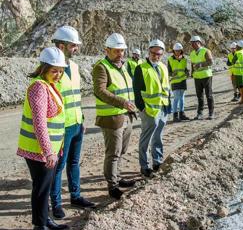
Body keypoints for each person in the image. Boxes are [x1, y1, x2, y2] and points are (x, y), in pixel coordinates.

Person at [18, 47, 71, 230]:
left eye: (60, 71)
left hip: (48, 150)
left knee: (46, 187)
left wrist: (56, 148)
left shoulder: (49, 85)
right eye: (54, 70)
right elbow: (39, 122)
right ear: (44, 68)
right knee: (40, 189)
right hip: (38, 150)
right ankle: (39, 227)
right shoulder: (39, 87)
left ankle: (45, 219)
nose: (58, 75)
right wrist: (49, 152)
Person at [49, 26, 96, 219]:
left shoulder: (75, 68)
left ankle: (75, 196)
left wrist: (82, 119)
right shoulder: (52, 69)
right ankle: (57, 203)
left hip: (76, 123)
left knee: (74, 162)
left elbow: (75, 96)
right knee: (59, 166)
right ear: (62, 45)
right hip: (62, 127)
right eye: (73, 46)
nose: (76, 49)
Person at [93, 33, 138, 200]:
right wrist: (122, 103)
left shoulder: (123, 66)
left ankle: (118, 178)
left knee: (122, 150)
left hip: (125, 115)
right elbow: (100, 91)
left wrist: (130, 106)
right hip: (111, 118)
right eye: (116, 51)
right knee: (113, 153)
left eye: (122, 51)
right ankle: (112, 186)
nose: (120, 54)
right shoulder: (102, 67)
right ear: (107, 50)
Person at [133, 40, 170, 177]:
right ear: (148, 52)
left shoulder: (163, 67)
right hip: (148, 110)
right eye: (153, 53)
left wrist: (167, 105)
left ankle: (157, 161)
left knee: (158, 137)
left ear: (162, 54)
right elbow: (137, 92)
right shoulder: (141, 69)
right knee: (146, 139)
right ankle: (145, 166)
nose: (156, 56)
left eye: (159, 54)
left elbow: (166, 87)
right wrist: (142, 108)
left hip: (162, 108)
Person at [188, 35, 214, 120]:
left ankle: (211, 113)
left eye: (193, 43)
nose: (192, 45)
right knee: (199, 96)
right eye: (191, 43)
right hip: (197, 77)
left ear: (198, 43)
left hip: (206, 76)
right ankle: (200, 113)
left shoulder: (206, 51)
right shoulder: (192, 53)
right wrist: (192, 73)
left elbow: (210, 62)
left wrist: (201, 64)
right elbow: (192, 64)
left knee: (208, 95)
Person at [167, 42, 190, 122]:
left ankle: (182, 114)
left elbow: (185, 69)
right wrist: (172, 74)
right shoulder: (170, 59)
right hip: (175, 81)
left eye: (179, 50)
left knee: (182, 98)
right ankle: (175, 116)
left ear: (181, 51)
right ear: (174, 51)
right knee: (176, 98)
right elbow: (168, 71)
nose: (177, 52)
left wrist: (187, 72)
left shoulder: (184, 59)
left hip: (183, 81)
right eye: (176, 50)